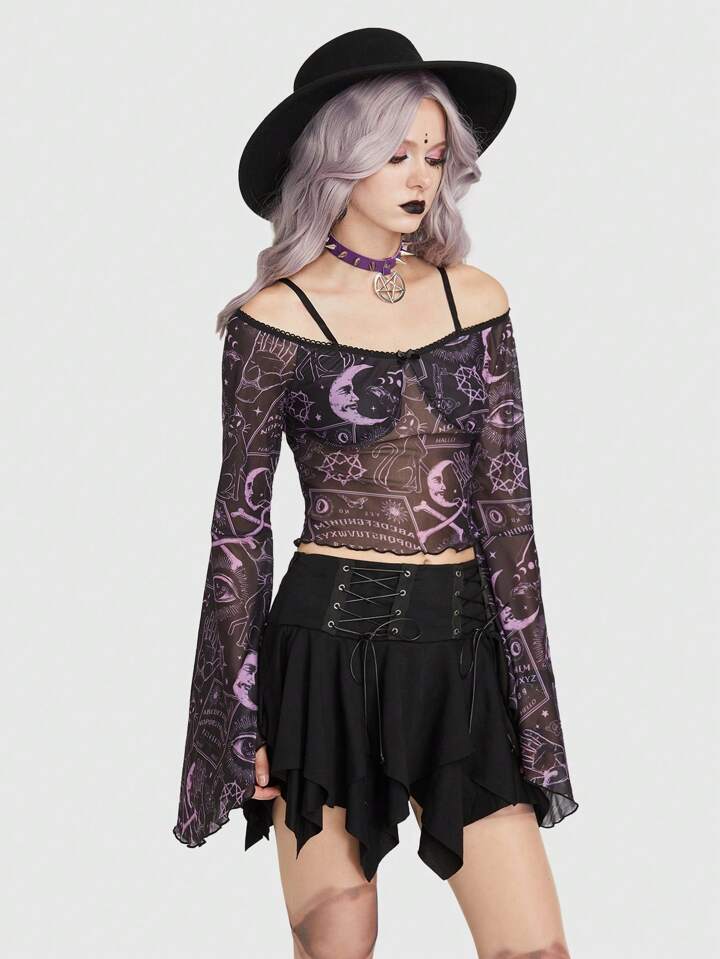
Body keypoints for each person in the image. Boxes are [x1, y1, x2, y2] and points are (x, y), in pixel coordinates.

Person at [173, 26, 579, 959]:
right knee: (339, 935)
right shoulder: (272, 320)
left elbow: (509, 515)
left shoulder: (477, 299)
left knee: (535, 948)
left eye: (433, 155)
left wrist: (531, 699)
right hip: (323, 651)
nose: (420, 176)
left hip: (460, 648)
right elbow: (238, 532)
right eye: (395, 154)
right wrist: (239, 717)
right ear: (337, 158)